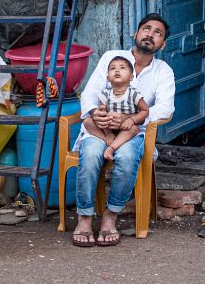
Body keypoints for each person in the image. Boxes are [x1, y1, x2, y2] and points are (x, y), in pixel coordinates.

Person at [72, 14, 175, 247]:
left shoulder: (163, 71)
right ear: (135, 34)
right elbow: (90, 92)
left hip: (133, 132)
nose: (151, 34)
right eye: (146, 29)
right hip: (101, 128)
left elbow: (166, 108)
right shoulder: (112, 58)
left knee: (127, 157)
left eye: (158, 33)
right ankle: (85, 218)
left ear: (163, 44)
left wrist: (129, 119)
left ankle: (110, 216)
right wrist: (94, 112)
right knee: (89, 155)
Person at [86, 56, 150, 162]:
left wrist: (132, 120)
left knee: (135, 129)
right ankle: (107, 138)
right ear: (107, 78)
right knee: (87, 121)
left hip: (125, 128)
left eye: (122, 68)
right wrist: (108, 133)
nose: (117, 70)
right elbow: (102, 115)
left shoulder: (133, 94)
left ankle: (111, 148)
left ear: (131, 77)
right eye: (112, 68)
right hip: (108, 127)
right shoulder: (105, 94)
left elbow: (145, 110)